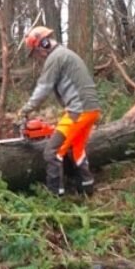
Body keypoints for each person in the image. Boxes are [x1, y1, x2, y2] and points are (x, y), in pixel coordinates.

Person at [17, 26, 101, 196]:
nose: (38, 57)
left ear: (44, 44)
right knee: (76, 149)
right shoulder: (65, 54)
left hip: (78, 112)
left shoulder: (55, 57)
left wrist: (24, 110)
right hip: (91, 110)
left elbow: (43, 88)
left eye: (36, 52)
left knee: (52, 152)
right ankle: (86, 189)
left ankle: (55, 195)